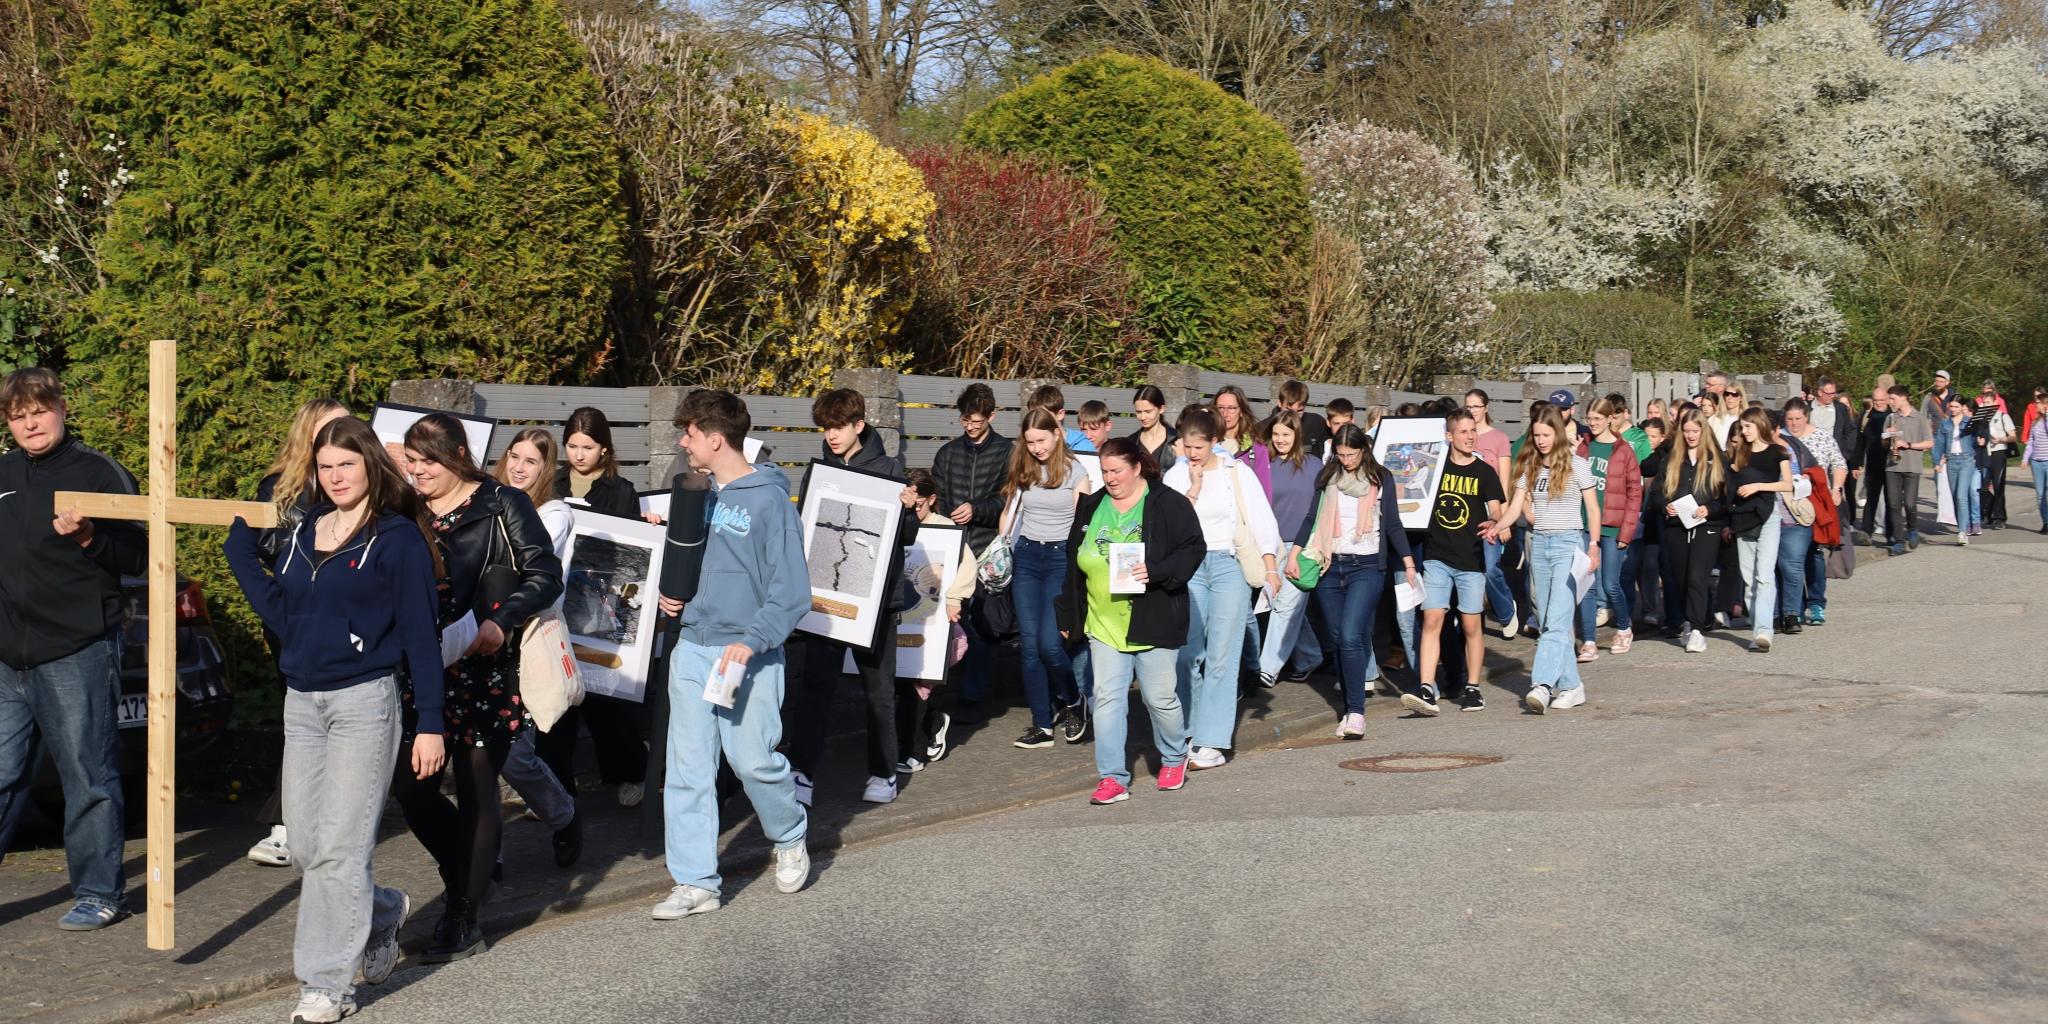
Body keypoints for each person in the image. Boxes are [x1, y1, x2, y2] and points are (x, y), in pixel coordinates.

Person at [223, 415, 446, 1023]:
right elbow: (284, 615)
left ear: (370, 465)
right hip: (303, 706)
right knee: (306, 848)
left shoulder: (395, 539)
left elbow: (421, 636)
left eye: (346, 463)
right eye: (325, 466)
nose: (336, 475)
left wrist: (430, 722)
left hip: (363, 706)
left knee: (341, 851)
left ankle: (325, 986)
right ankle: (380, 911)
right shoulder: (303, 532)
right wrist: (245, 560)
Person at [393, 413, 563, 962]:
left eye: (428, 464)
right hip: (422, 666)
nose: (418, 474)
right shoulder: (406, 506)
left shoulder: (501, 504)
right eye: (412, 463)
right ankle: (466, 872)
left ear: (458, 457)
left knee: (475, 788)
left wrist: (502, 619)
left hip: (482, 664)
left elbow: (545, 573)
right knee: (413, 789)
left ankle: (463, 914)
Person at [651, 389, 812, 920]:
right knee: (688, 770)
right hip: (693, 648)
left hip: (749, 654)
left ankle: (788, 833)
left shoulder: (769, 501)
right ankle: (695, 882)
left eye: (690, 434)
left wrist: (751, 640)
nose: (683, 442)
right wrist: (674, 592)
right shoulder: (699, 495)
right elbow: (692, 566)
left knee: (753, 762)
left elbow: (792, 592)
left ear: (715, 439)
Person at [0, 367, 145, 931]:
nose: (31, 422)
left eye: (40, 409)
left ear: (62, 407)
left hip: (75, 651)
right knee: (2, 775)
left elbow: (139, 557)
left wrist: (89, 537)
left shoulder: (98, 473)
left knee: (86, 776)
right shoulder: (3, 473)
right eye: (19, 415)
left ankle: (99, 893)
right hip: (8, 658)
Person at [789, 389, 922, 805]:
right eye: (826, 427)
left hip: (876, 599)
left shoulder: (889, 469)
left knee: (878, 691)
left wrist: (910, 511)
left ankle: (884, 772)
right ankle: (802, 773)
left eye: (838, 426)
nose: (831, 434)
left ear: (858, 426)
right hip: (827, 596)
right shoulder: (820, 471)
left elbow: (905, 539)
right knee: (815, 685)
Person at [1055, 438, 1205, 804]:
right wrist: (1069, 614)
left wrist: (1156, 571)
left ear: (1137, 467)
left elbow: (1193, 548)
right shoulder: (1091, 506)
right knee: (1106, 699)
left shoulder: (1167, 503)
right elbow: (1074, 563)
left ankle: (1173, 756)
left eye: (1116, 471)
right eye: (1104, 471)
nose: (1110, 478)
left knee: (1160, 699)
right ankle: (1112, 777)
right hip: (1103, 622)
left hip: (1153, 618)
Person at [245, 397, 351, 869]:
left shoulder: (360, 484)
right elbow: (258, 549)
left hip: (348, 617)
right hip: (294, 618)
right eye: (330, 428)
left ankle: (310, 823)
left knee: (340, 718)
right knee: (304, 718)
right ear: (308, 434)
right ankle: (287, 826)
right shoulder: (278, 487)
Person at [541, 407, 648, 810]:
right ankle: (555, 790)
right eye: (572, 446)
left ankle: (632, 770)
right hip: (553, 606)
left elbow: (631, 557)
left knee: (605, 701)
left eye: (587, 447)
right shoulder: (549, 483)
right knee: (557, 701)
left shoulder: (621, 491)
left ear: (604, 449)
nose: (579, 454)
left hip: (599, 608)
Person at [1162, 406, 1281, 768]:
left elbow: (1260, 518)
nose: (1192, 452)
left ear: (1215, 441)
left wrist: (1270, 566)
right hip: (1190, 567)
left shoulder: (1236, 472)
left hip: (1229, 563)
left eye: (1199, 445)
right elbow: (1168, 524)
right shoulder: (1175, 476)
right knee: (1187, 652)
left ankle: (1212, 741)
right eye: (1187, 445)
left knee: (1222, 656)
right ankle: (1188, 730)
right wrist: (1194, 487)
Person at [1285, 423, 1416, 738]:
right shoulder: (1327, 477)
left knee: (1351, 635)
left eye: (1351, 454)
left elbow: (1394, 525)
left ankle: (1356, 712)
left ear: (1364, 449)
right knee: (1338, 638)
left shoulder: (1380, 478)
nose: (1346, 460)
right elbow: (1310, 517)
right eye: (1341, 454)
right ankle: (1348, 708)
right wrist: (1294, 554)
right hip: (1329, 564)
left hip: (1368, 566)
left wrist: (1409, 563)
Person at [491, 428, 583, 868]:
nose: (519, 467)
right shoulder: (488, 500)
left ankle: (564, 815)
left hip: (524, 642)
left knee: (515, 756)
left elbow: (520, 566)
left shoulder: (553, 513)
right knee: (478, 758)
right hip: (478, 638)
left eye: (531, 461)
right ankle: (487, 858)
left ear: (546, 469)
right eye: (514, 456)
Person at [1487, 407, 1601, 713]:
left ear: (1558, 434)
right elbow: (1513, 509)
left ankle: (1541, 684)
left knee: (1556, 621)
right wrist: (1498, 526)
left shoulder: (1578, 466)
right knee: (1554, 622)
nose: (1540, 441)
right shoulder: (1529, 468)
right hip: (1539, 544)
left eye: (1546, 435)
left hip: (1568, 543)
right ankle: (1572, 685)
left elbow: (1593, 509)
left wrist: (1593, 545)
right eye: (1536, 435)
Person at [999, 406, 1093, 749]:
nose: (1036, 447)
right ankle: (1042, 725)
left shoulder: (1075, 471)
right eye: (1030, 441)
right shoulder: (1023, 466)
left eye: (1041, 439)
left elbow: (1084, 523)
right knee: (1028, 647)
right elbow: (1010, 509)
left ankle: (1073, 701)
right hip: (1026, 555)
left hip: (1059, 560)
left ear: (1057, 434)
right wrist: (1004, 542)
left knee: (1050, 645)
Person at [1408, 408, 1505, 715]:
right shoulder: (1434, 469)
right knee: (1433, 619)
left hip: (1470, 559)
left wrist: (1493, 522)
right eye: (1463, 432)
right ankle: (1426, 687)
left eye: (1473, 430)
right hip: (1437, 556)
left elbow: (1496, 510)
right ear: (1449, 436)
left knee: (1470, 624)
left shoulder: (1485, 471)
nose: (1470, 436)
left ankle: (1473, 687)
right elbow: (1411, 495)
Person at [931, 383, 1013, 707]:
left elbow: (1009, 497)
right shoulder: (947, 454)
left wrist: (978, 509)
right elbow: (936, 497)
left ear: (991, 416)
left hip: (985, 548)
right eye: (966, 419)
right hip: (951, 548)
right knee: (949, 622)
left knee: (981, 626)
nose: (970, 426)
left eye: (977, 420)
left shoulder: (1007, 452)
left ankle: (972, 695)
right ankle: (944, 690)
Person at [1248, 411, 1324, 687]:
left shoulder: (1315, 465)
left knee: (1285, 607)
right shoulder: (1264, 467)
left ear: (1297, 436)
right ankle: (1310, 656)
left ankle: (1267, 668)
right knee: (1283, 606)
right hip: (1272, 546)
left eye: (1286, 434)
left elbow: (1324, 505)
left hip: (1303, 547)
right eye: (1276, 434)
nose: (1280, 439)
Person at [1572, 396, 1643, 661]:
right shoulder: (1584, 448)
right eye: (1589, 419)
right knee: (1587, 583)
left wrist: (1627, 532)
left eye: (1598, 419)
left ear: (1611, 418)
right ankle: (1589, 641)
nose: (1592, 424)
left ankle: (1624, 627)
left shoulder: (1623, 451)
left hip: (1613, 527)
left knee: (1611, 583)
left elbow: (1634, 493)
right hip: (1584, 525)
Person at [1657, 408, 1729, 653]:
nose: (1690, 436)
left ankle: (1698, 629)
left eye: (1695, 431)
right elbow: (1656, 494)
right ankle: (1689, 620)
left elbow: (1725, 497)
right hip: (1677, 526)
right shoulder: (1671, 458)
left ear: (1703, 431)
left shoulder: (1716, 458)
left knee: (1698, 574)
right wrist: (1665, 507)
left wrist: (1710, 509)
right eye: (1686, 431)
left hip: (1707, 525)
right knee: (1682, 578)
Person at [1725, 409, 1794, 652]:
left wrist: (1757, 486)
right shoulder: (1739, 453)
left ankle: (1764, 631)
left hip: (1769, 517)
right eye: (1741, 427)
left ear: (1759, 425)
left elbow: (1787, 484)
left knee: (1764, 576)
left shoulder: (1778, 452)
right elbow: (1729, 484)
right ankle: (1758, 629)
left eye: (1747, 427)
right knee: (1749, 579)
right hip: (1743, 518)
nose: (1743, 431)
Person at [1780, 401, 1848, 627]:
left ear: (1806, 417)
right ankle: (1795, 607)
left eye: (1798, 418)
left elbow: (1839, 464)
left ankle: (1817, 602)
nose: (1794, 423)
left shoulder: (1822, 437)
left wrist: (1836, 489)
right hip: (1789, 505)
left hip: (1816, 502)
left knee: (1814, 553)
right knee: (1793, 559)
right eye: (1790, 419)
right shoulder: (1779, 438)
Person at [1466, 389, 1518, 637]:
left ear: (1485, 408)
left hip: (1492, 513)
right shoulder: (1463, 437)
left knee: (1490, 568)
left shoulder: (1498, 438)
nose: (1473, 410)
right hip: (1467, 513)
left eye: (1476, 406)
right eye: (1469, 406)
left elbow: (1505, 481)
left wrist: (1505, 520)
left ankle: (1507, 610)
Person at [1883, 384, 1933, 556]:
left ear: (1903, 398)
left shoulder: (1919, 418)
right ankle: (1899, 541)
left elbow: (1929, 443)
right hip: (1892, 466)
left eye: (1893, 399)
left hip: (1912, 466)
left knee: (1910, 504)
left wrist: (1909, 444)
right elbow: (1884, 443)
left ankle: (1912, 528)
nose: (1890, 402)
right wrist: (1888, 435)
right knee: (1894, 504)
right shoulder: (1890, 417)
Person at [1934, 395, 1987, 544]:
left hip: (1966, 460)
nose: (1953, 409)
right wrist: (1937, 461)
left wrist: (1980, 440)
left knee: (1961, 496)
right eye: (1951, 407)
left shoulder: (1969, 422)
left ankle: (1962, 532)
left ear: (1962, 407)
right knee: (1955, 496)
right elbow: (1939, 444)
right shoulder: (1945, 424)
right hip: (1951, 461)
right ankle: (1962, 526)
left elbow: (1978, 436)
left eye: (1956, 407)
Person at [1854, 382, 1895, 545]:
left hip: (1892, 464)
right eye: (1876, 400)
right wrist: (1856, 465)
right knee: (1871, 499)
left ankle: (1891, 535)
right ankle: (1866, 531)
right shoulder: (1866, 418)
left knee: (1891, 500)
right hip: (1872, 463)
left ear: (1888, 400)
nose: (1878, 403)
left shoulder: (1894, 417)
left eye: (1881, 400)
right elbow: (1860, 443)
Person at [1977, 382, 2016, 530]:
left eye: (1988, 403)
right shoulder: (1980, 418)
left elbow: (2013, 436)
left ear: (1994, 402)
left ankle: (1999, 517)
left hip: (1998, 452)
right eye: (1983, 402)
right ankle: (1988, 512)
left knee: (1999, 485)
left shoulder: (2002, 416)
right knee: (1982, 486)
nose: (1985, 405)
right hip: (1984, 454)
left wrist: (2000, 439)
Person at [1264, 379, 1332, 458]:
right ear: (1279, 403)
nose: (1294, 416)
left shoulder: (1317, 423)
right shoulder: (1263, 429)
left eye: (1299, 411)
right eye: (1288, 410)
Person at [1029, 383, 1096, 454]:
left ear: (1060, 414)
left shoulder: (1082, 447)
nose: (1037, 420)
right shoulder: (1028, 445)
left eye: (1044, 416)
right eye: (1032, 415)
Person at [1130, 385, 1179, 472]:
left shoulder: (1177, 440)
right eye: (1138, 412)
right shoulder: (1130, 442)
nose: (1142, 417)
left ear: (1161, 409)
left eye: (1148, 411)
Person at [2026, 388, 2048, 535]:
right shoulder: (2035, 421)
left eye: (2038, 403)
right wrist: (2025, 458)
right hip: (2036, 462)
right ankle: (2046, 522)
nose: (2036, 405)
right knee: (2040, 494)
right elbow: (2031, 442)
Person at [1213, 386, 1256, 454]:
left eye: (1231, 408)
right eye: (1220, 408)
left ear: (1241, 411)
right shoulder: (1205, 442)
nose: (1225, 414)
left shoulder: (1255, 446)